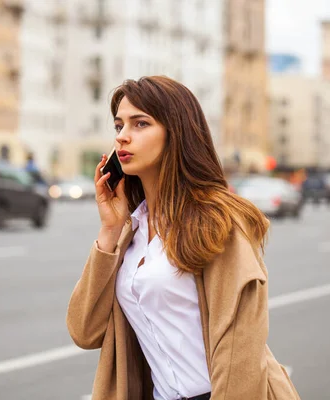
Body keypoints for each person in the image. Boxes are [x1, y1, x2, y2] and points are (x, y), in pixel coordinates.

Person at [66, 76, 300, 400]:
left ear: (175, 133)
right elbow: (84, 330)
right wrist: (109, 231)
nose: (122, 137)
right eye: (119, 126)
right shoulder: (129, 231)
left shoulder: (217, 222)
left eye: (140, 124)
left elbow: (239, 353)